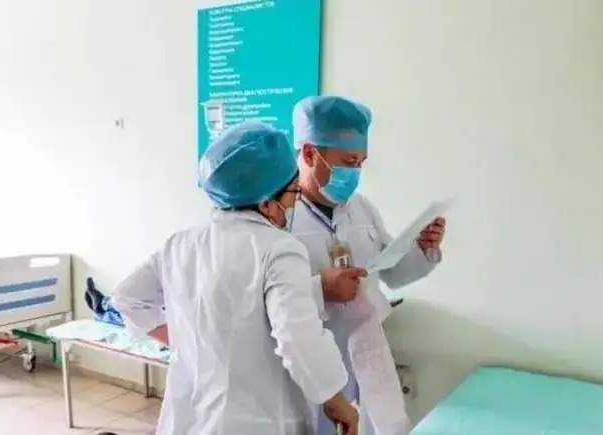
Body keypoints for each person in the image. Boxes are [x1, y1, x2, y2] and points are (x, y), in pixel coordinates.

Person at [112, 121, 359, 435]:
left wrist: (195, 342)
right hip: (255, 423)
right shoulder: (279, 248)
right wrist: (335, 399)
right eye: (293, 192)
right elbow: (298, 337)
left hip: (187, 421)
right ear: (266, 202)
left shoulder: (181, 243)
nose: (293, 203)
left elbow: (127, 299)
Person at [291, 96, 447, 435]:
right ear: (309, 153)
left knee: (377, 425)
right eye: (348, 162)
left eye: (360, 163)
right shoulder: (279, 216)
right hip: (308, 359)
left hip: (365, 351)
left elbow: (391, 273)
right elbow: (260, 296)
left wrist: (422, 250)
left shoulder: (361, 209)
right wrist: (320, 288)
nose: (355, 173)